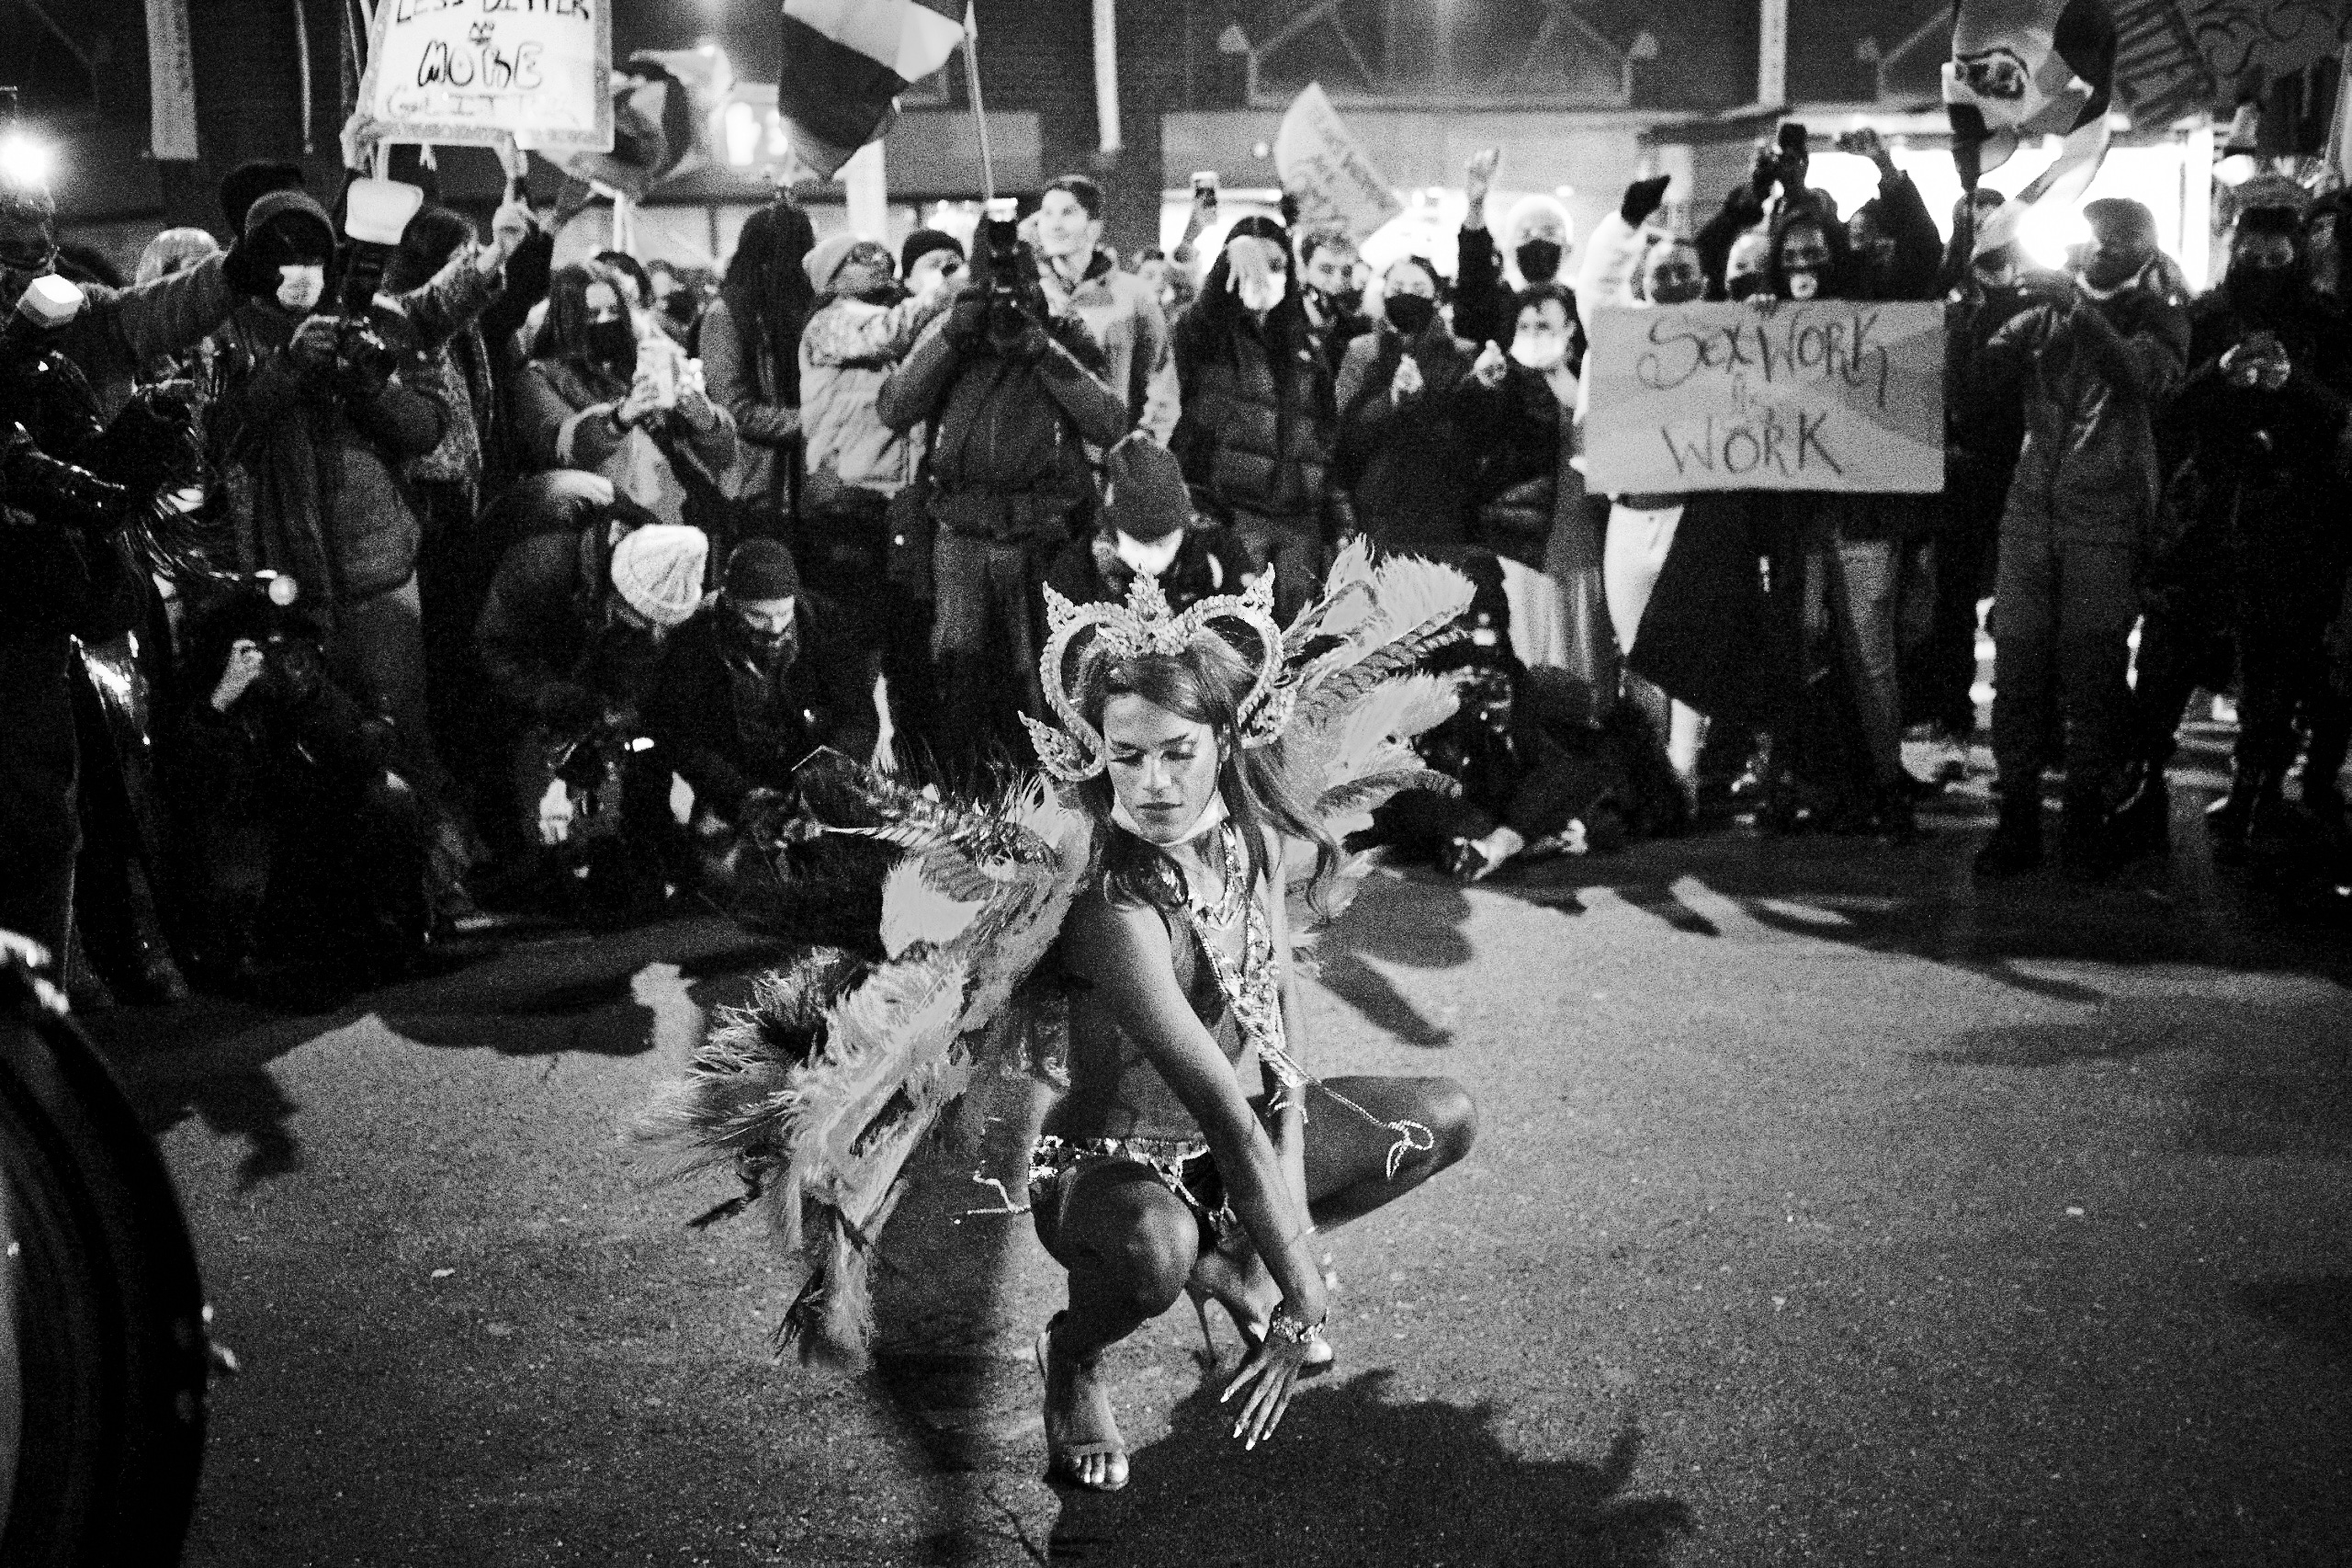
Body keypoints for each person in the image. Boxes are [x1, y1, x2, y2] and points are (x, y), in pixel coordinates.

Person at [1024, 576, 1476, 1491]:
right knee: (1156, 1256)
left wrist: (1281, 1234)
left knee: (1441, 1118)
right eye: (1126, 756)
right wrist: (1302, 1288)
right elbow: (1223, 1117)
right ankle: (1071, 1354)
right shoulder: (1115, 907)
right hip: (1114, 1172)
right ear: (1096, 753)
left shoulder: (1250, 840)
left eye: (1177, 752)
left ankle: (1227, 1259)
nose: (1153, 783)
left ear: (1224, 740)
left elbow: (1278, 1036)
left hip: (1239, 1149)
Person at [1973, 197, 2189, 877]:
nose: (2094, 250)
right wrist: (1984, 301)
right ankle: (2017, 818)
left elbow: (2141, 377)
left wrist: (2078, 310)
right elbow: (1980, 382)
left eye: (2112, 242)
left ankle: (2087, 818)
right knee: (2019, 670)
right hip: (2030, 511)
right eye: (2089, 238)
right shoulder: (2051, 306)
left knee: (2093, 674)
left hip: (2106, 519)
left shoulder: (2164, 312)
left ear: (2140, 251)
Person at [2127, 203, 2352, 853]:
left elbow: (2341, 416)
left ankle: (2256, 789)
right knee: (2168, 652)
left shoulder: (2327, 324)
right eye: (2249, 255)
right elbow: (2167, 407)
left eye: (2275, 258)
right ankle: (2146, 778)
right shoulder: (2204, 316)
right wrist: (2219, 373)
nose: (2260, 269)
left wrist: (2294, 383)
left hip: (2290, 514)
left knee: (2276, 660)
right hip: (2207, 507)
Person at [876, 214, 1130, 765]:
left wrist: (1042, 349)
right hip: (960, 533)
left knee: (1044, 680)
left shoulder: (1059, 329)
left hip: (1044, 535)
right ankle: (961, 797)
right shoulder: (952, 330)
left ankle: (1053, 799)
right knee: (959, 679)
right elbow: (895, 407)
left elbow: (1110, 421)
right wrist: (950, 335)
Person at [473, 477, 705, 909]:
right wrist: (546, 697)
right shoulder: (541, 564)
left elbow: (634, 683)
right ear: (617, 586)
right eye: (638, 617)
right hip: (512, 614)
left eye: (660, 624)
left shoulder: (660, 577)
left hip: (578, 634)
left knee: (620, 741)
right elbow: (496, 649)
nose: (649, 632)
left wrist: (611, 720)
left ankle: (620, 837)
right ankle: (520, 853)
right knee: (506, 732)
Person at [798, 231, 958, 752]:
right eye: (859, 257)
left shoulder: (881, 319)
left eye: (878, 252)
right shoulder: (830, 324)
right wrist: (952, 289)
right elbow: (889, 331)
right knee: (850, 667)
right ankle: (843, 792)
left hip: (894, 510)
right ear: (831, 276)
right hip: (844, 507)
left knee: (907, 659)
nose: (878, 259)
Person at [643, 539, 879, 883]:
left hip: (815, 768)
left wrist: (820, 783)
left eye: (784, 612)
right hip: (736, 776)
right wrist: (741, 795)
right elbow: (684, 737)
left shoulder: (825, 626)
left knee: (846, 873)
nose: (775, 627)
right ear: (731, 604)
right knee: (728, 881)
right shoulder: (695, 640)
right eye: (758, 615)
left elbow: (857, 716)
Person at [1170, 215, 1337, 626]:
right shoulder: (1207, 337)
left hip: (1299, 529)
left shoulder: (1307, 347)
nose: (1265, 276)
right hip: (1231, 521)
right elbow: (1201, 318)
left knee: (1296, 660)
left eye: (1276, 265)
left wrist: (1338, 522)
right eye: (1253, 265)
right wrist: (1231, 257)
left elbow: (1326, 441)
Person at [517, 262, 739, 531]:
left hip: (682, 512)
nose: (604, 321)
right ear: (568, 319)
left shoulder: (644, 362)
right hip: (607, 527)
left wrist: (707, 421)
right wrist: (619, 419)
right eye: (591, 314)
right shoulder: (541, 376)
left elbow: (722, 457)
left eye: (613, 311)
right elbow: (561, 452)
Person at [1333, 254, 1477, 557]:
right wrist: (1390, 401)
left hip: (1440, 506)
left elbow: (1466, 430)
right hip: (1375, 504)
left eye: (1418, 288)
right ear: (1383, 294)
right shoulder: (1362, 351)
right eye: (1397, 288)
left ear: (1436, 296)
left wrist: (1422, 399)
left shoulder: (1461, 353)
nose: (1407, 296)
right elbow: (1346, 432)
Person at [698, 201, 817, 532]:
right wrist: (814, 419)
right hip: (759, 488)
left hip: (809, 484)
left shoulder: (802, 308)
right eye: (804, 250)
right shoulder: (728, 314)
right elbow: (733, 408)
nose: (810, 262)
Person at [1035, 175, 1179, 444]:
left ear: (1094, 228)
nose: (1054, 225)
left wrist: (1144, 446)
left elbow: (1160, 382)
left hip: (1107, 461)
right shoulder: (1031, 296)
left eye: (1067, 213)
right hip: (1043, 463)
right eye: (1047, 214)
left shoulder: (1135, 296)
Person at [1048, 431, 1252, 616]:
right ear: (1114, 530)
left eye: (1163, 542)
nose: (1150, 558)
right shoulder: (1079, 570)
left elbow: (1248, 632)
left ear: (1183, 526)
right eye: (1139, 544)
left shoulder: (1220, 551)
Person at [1455, 148, 1576, 352]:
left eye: (1549, 233)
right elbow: (1474, 271)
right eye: (1526, 235)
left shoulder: (1578, 306)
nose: (1537, 241)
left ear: (1568, 248)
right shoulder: (1498, 305)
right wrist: (1475, 207)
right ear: (1511, 249)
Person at [1294, 226, 1370, 374]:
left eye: (1346, 271)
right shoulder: (1288, 311)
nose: (1338, 280)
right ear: (1303, 268)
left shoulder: (1343, 304)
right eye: (1326, 269)